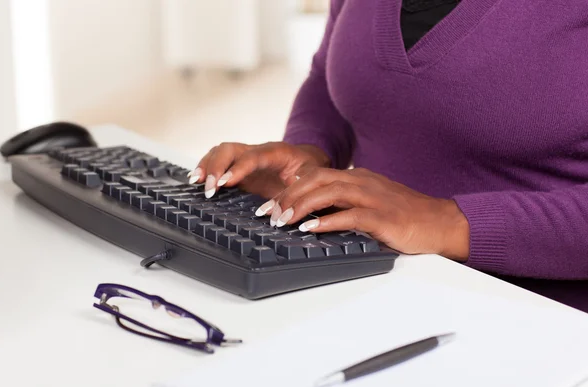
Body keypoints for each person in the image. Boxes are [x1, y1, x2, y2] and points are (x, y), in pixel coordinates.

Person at [188, 0, 588, 312]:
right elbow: (329, 78)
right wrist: (310, 154)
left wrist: (447, 221)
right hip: (371, 289)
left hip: (539, 325)